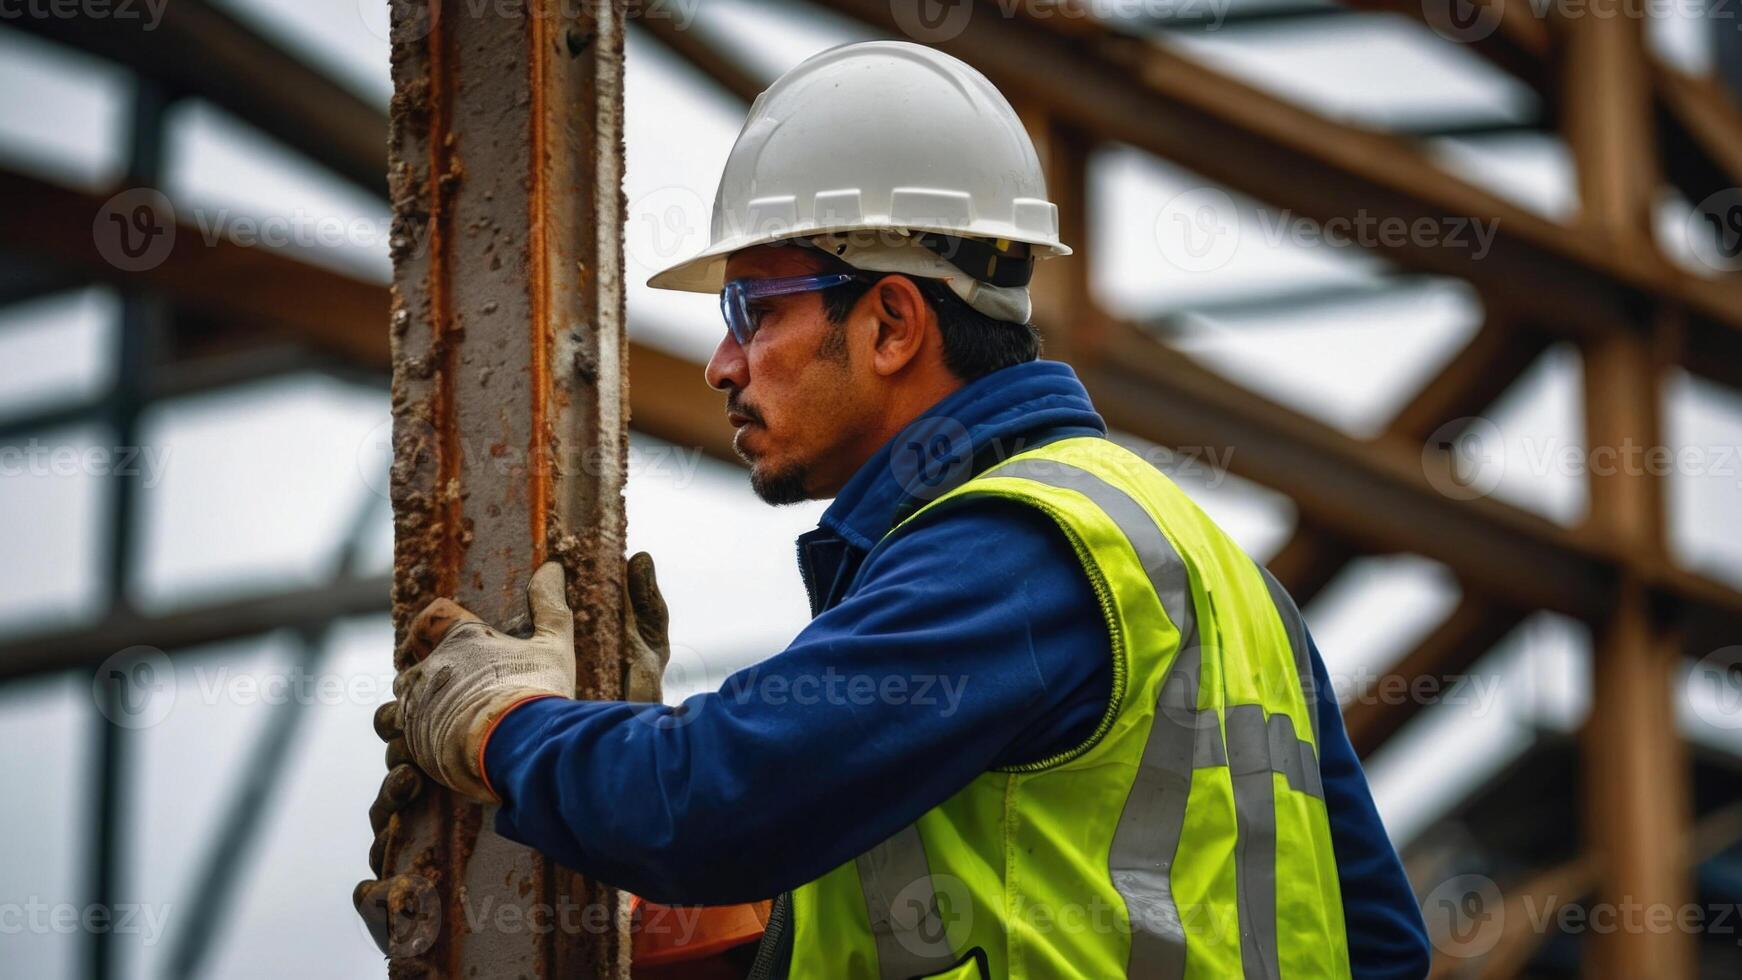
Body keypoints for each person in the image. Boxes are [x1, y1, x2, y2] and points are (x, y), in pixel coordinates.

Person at [361, 40, 1431, 979]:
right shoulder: (1208, 570)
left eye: (754, 309)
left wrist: (504, 726)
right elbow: (1376, 942)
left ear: (890, 322)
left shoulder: (1010, 552)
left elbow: (709, 802)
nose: (724, 363)